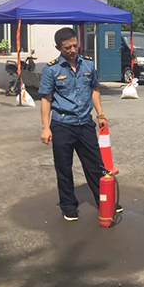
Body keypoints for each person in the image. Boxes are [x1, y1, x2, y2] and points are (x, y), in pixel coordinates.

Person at [39, 27, 122, 221]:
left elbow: (94, 90)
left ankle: (104, 201)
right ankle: (68, 206)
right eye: (67, 48)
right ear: (58, 48)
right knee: (64, 168)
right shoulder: (51, 69)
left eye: (75, 46)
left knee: (95, 165)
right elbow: (46, 99)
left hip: (85, 123)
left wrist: (100, 115)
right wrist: (45, 128)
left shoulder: (88, 65)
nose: (72, 50)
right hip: (62, 124)